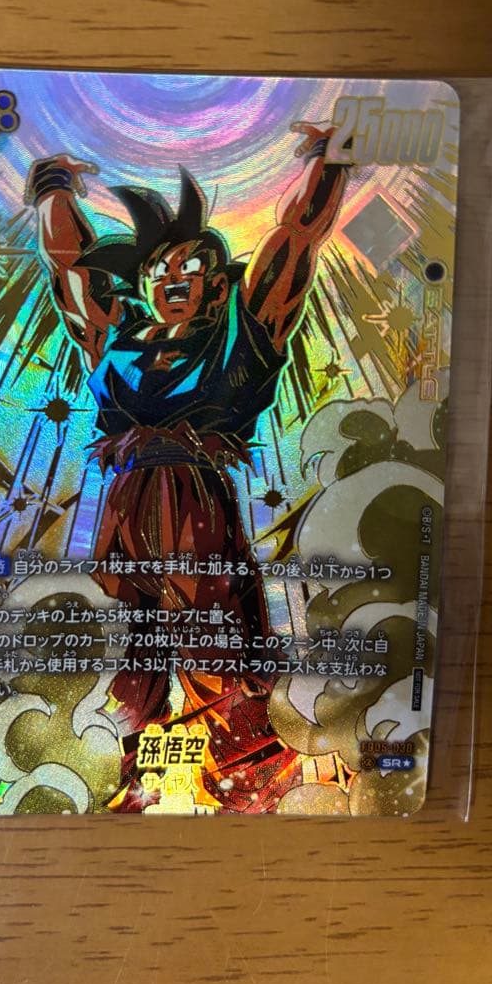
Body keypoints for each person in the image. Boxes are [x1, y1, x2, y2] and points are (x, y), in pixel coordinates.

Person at [26, 123, 348, 810]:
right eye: (160, 271)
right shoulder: (116, 343)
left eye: (191, 269)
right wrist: (52, 187)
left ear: (216, 284)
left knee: (216, 648)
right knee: (122, 659)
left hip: (194, 501)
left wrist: (329, 160)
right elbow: (72, 271)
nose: (173, 279)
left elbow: (294, 244)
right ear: (144, 284)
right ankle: (119, 782)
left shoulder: (241, 337)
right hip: (124, 506)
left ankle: (246, 782)